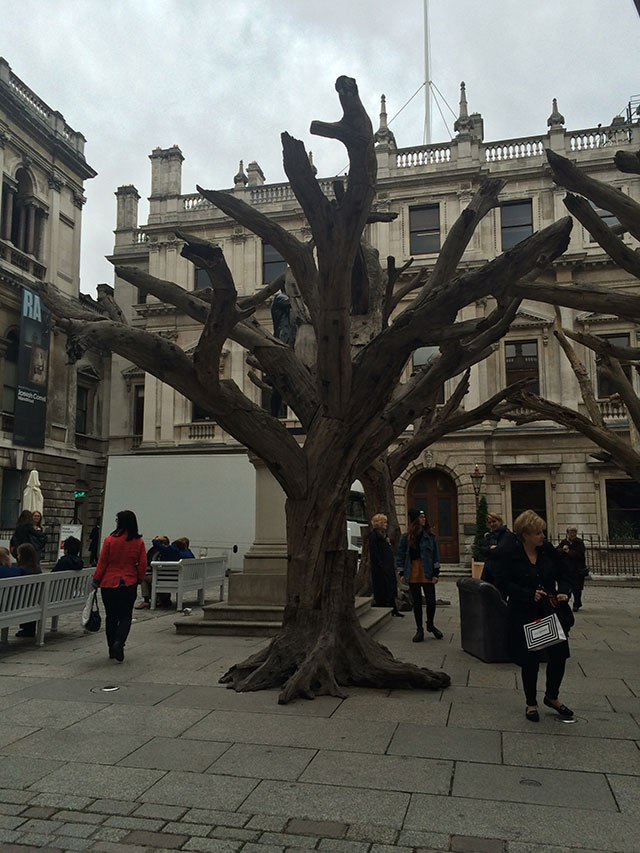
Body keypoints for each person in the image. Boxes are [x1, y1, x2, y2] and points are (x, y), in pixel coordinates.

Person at [494, 510, 574, 722]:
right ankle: (531, 702)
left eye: (542, 532)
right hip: (524, 613)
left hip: (548, 610)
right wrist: (528, 593)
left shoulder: (547, 550)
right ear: (525, 534)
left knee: (559, 655)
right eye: (538, 532)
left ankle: (552, 696)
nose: (543, 536)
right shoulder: (510, 553)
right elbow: (502, 582)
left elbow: (564, 573)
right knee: (530, 659)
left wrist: (563, 591)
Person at [92, 510, 147, 662]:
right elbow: (143, 564)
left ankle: (111, 647)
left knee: (111, 616)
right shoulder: (138, 542)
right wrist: (139, 578)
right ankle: (119, 642)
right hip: (128, 582)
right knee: (125, 616)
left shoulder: (110, 540)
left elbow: (102, 562)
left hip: (109, 582)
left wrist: (96, 580)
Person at [397, 508, 443, 642]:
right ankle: (419, 629)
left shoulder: (430, 537)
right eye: (421, 517)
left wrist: (436, 573)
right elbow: (401, 555)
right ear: (415, 520)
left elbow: (435, 556)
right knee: (416, 602)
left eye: (424, 517)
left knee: (431, 601)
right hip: (412, 571)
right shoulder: (406, 537)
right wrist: (401, 573)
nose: (424, 519)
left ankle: (430, 624)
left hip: (427, 570)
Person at [368, 514, 403, 617]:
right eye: (384, 523)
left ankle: (394, 608)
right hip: (381, 567)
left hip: (388, 566)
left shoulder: (384, 535)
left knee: (391, 587)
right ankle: (385, 606)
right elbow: (374, 553)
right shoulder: (374, 536)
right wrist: (381, 564)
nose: (386, 524)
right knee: (383, 588)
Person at [480, 512, 515, 597]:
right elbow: (482, 550)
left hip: (501, 572)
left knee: (499, 597)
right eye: (489, 522)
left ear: (500, 521)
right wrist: (490, 548)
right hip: (489, 571)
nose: (492, 524)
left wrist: (490, 549)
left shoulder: (507, 535)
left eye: (494, 521)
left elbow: (500, 550)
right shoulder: (489, 535)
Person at [557, 527, 587, 612]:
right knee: (566, 588)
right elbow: (557, 551)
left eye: (574, 532)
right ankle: (565, 603)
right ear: (567, 533)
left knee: (577, 589)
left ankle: (576, 603)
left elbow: (580, 554)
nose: (572, 534)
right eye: (571, 532)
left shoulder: (579, 542)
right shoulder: (564, 542)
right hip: (566, 569)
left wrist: (568, 551)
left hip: (577, 569)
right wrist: (562, 549)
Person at [15, 543, 42, 637]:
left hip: (21, 602)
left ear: (23, 556)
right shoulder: (37, 569)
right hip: (35, 600)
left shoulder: (21, 570)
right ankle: (29, 628)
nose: (17, 557)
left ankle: (26, 629)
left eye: (18, 554)